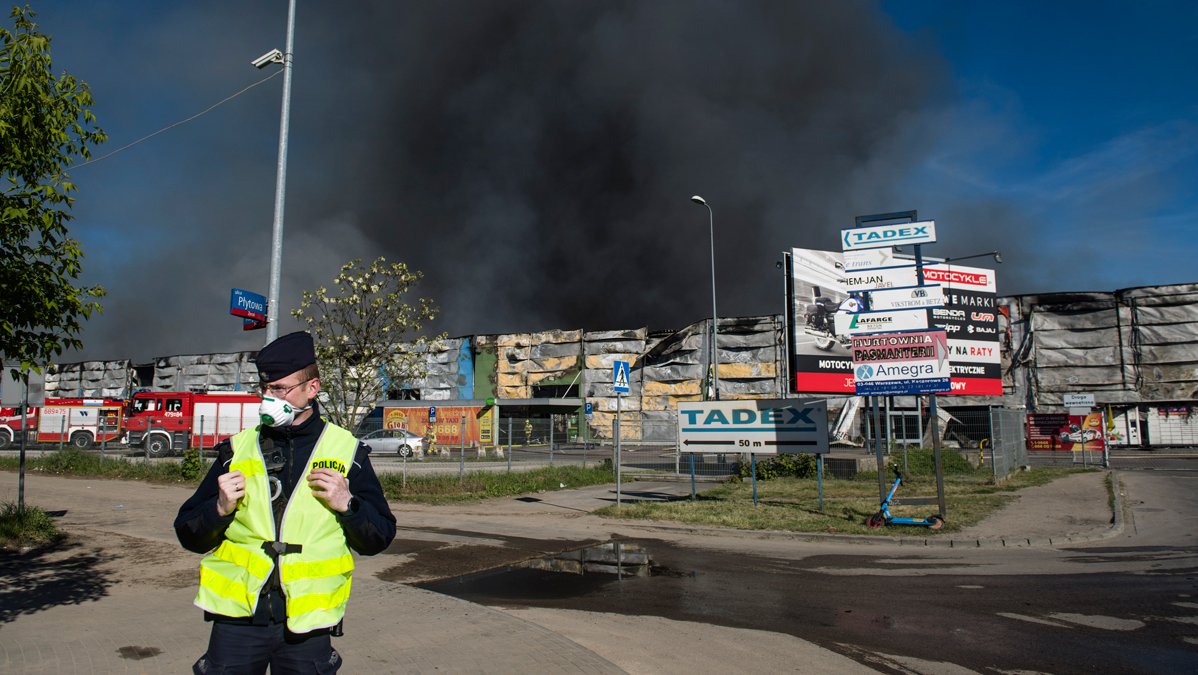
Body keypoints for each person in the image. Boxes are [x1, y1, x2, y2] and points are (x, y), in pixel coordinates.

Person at [175, 331, 396, 674]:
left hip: (307, 629)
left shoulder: (347, 452)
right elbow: (189, 534)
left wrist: (349, 505)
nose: (268, 398)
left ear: (312, 388)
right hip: (238, 622)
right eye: (264, 389)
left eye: (279, 389)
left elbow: (379, 537)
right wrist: (217, 510)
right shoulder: (236, 451)